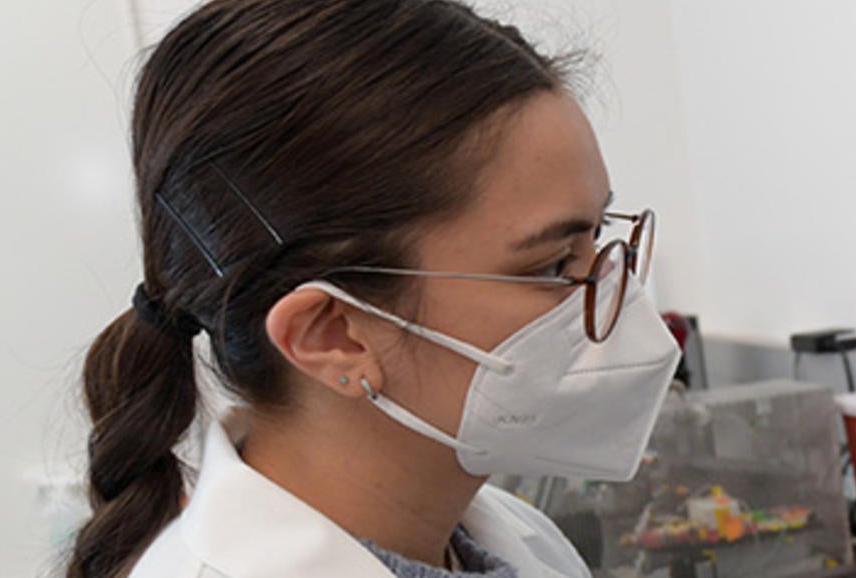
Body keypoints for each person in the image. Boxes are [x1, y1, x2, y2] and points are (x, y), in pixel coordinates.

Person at [66, 1, 681, 576]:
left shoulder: (516, 540)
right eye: (551, 267)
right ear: (332, 332)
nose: (621, 303)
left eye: (599, 236)